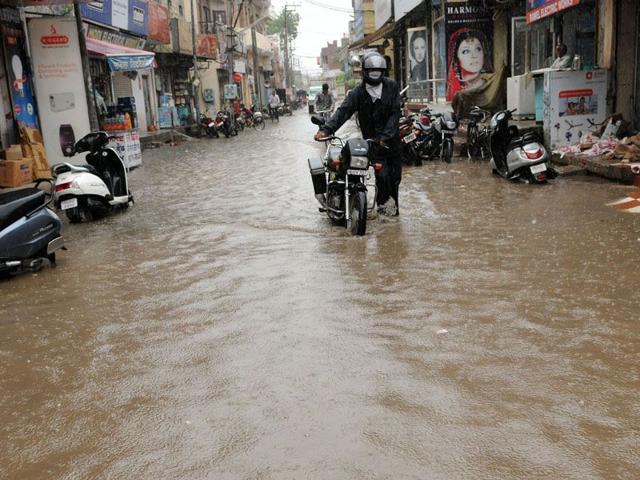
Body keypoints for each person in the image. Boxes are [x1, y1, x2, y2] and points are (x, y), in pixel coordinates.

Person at [313, 52, 402, 216]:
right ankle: (381, 210)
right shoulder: (357, 93)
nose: (375, 76)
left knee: (395, 179)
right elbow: (343, 112)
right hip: (372, 143)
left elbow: (395, 114)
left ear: (383, 72)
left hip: (392, 142)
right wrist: (326, 129)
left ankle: (392, 214)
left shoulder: (392, 87)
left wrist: (385, 137)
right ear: (364, 73)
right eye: (372, 72)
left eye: (378, 72)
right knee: (381, 176)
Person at [446, 28, 492, 102]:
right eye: (466, 51)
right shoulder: (456, 89)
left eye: (478, 49)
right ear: (456, 57)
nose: (474, 56)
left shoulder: (491, 84)